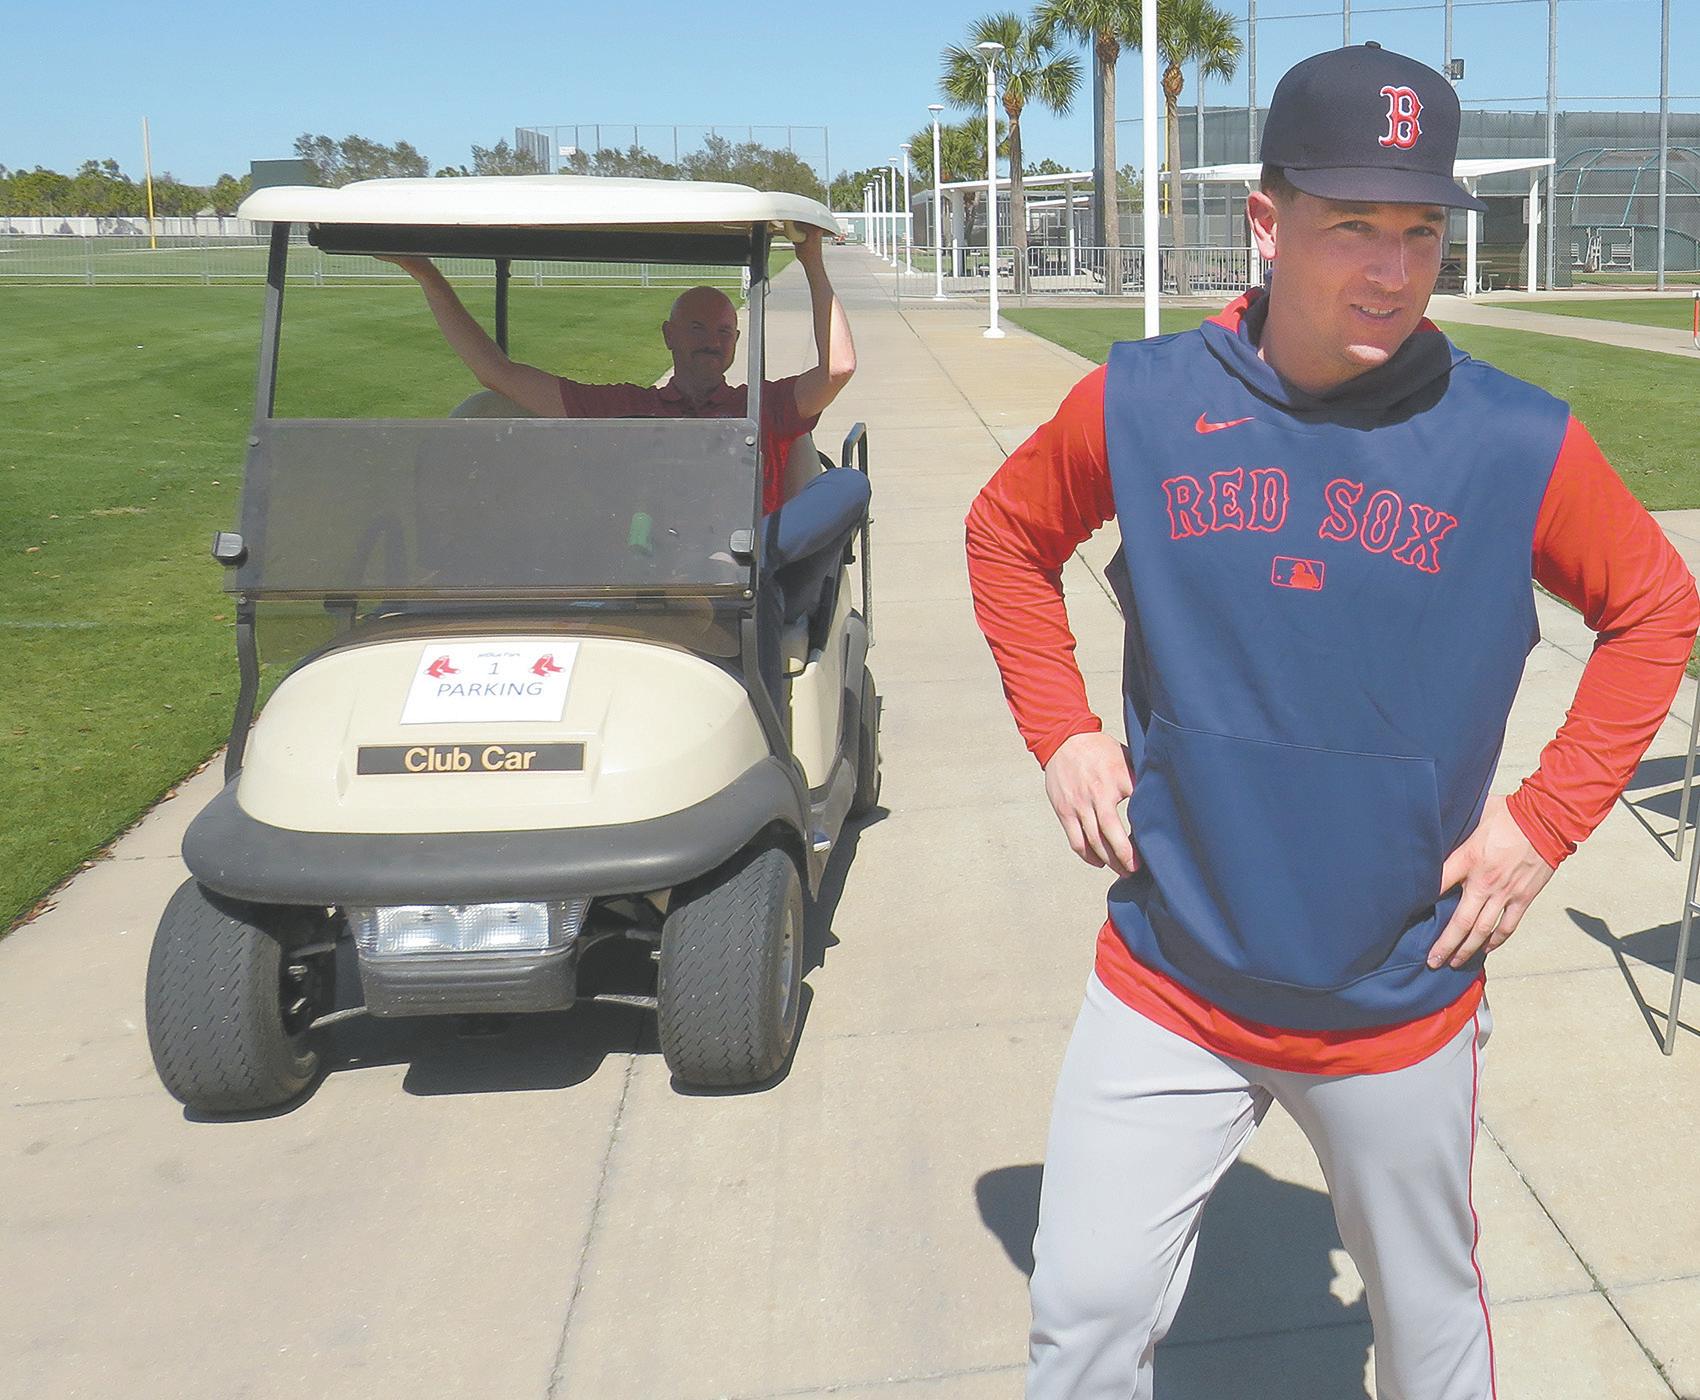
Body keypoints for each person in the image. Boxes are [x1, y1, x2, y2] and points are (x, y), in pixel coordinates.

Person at [965, 43, 1699, 1400]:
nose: (1391, 268)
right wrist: (1061, 728)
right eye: (1351, 223)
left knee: (1429, 1341)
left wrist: (1542, 822)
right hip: (1171, 973)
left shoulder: (1510, 440)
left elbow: (1655, 606)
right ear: (1266, 219)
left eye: (1420, 229)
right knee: (1082, 1319)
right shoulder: (1143, 401)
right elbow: (1006, 536)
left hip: (1394, 997)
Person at [386, 226, 866, 627]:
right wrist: (427, 275)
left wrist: (812, 261)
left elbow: (838, 368)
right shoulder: (625, 406)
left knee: (849, 483)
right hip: (644, 572)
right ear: (669, 336)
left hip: (746, 584)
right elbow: (498, 374)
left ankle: (734, 562)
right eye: (697, 328)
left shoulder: (761, 405)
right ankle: (690, 586)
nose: (712, 341)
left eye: (724, 331)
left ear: (737, 341)